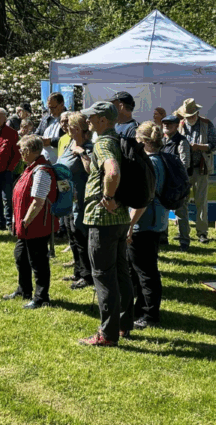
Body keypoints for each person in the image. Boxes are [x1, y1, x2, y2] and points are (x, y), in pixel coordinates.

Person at [77, 101, 134, 347]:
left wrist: (108, 198)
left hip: (103, 219)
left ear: (102, 120)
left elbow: (112, 172)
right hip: (119, 218)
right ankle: (123, 325)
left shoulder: (103, 143)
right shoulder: (117, 139)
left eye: (91, 117)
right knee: (121, 272)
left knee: (103, 276)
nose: (88, 121)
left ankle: (107, 334)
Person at [2, 134, 59, 309]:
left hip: (36, 224)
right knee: (21, 256)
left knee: (38, 262)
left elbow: (38, 201)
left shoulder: (41, 171)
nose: (20, 153)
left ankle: (41, 298)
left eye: (22, 150)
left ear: (29, 151)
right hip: (26, 225)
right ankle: (24, 290)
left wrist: (26, 221)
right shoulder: (30, 168)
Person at [127, 122, 167, 329]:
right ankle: (141, 308)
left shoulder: (148, 163)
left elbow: (143, 199)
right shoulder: (161, 159)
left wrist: (130, 225)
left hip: (144, 223)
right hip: (157, 220)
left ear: (143, 141)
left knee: (145, 271)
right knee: (144, 268)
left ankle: (150, 314)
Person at [174, 98, 216, 246]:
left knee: (201, 202)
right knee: (182, 202)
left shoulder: (206, 124)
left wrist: (199, 147)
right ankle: (182, 231)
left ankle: (202, 232)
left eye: (191, 115)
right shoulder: (180, 125)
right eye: (187, 116)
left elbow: (215, 144)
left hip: (201, 168)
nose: (189, 118)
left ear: (197, 113)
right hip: (183, 170)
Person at [58, 112, 94, 290]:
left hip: (80, 199)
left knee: (81, 235)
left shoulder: (88, 147)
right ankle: (78, 271)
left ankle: (87, 275)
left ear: (78, 128)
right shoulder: (69, 143)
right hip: (66, 197)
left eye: (69, 125)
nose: (65, 127)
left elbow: (91, 170)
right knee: (72, 235)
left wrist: (82, 153)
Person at [161, 114, 191, 249]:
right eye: (164, 123)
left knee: (181, 212)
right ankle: (163, 238)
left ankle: (184, 241)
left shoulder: (181, 141)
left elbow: (185, 164)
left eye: (169, 123)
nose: (166, 125)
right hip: (164, 182)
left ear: (176, 126)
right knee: (163, 211)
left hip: (178, 183)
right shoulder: (162, 141)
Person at [35, 92, 66, 164]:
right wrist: (38, 139)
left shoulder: (69, 118)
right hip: (44, 161)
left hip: (61, 163)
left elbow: (70, 139)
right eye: (49, 107)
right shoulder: (45, 118)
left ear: (62, 105)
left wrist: (50, 141)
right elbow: (37, 133)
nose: (50, 111)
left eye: (53, 107)